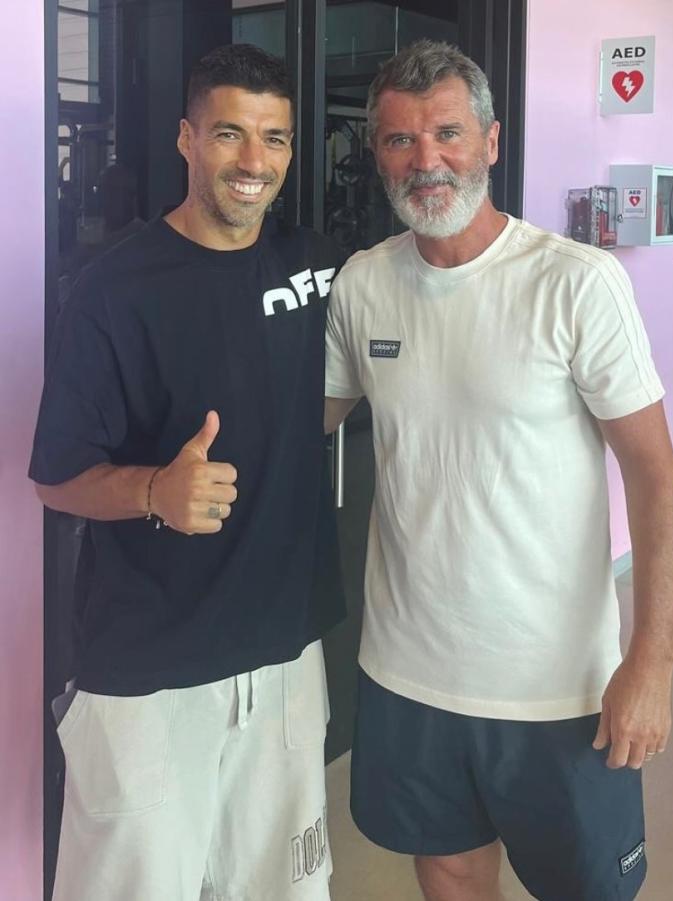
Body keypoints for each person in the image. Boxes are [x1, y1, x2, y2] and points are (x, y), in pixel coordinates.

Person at [324, 40, 673, 901]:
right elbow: (302, 425)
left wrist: (652, 659)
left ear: (489, 141)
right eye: (401, 140)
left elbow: (654, 476)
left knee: (586, 886)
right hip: (406, 669)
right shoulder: (363, 286)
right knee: (448, 867)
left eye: (447, 133)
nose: (427, 160)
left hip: (556, 683)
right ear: (378, 154)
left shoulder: (576, 283)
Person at [31, 44, 344, 901]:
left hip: (284, 656)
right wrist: (152, 492)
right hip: (148, 671)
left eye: (275, 138)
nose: (254, 161)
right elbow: (56, 475)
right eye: (230, 133)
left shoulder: (315, 268)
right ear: (186, 138)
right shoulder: (112, 289)